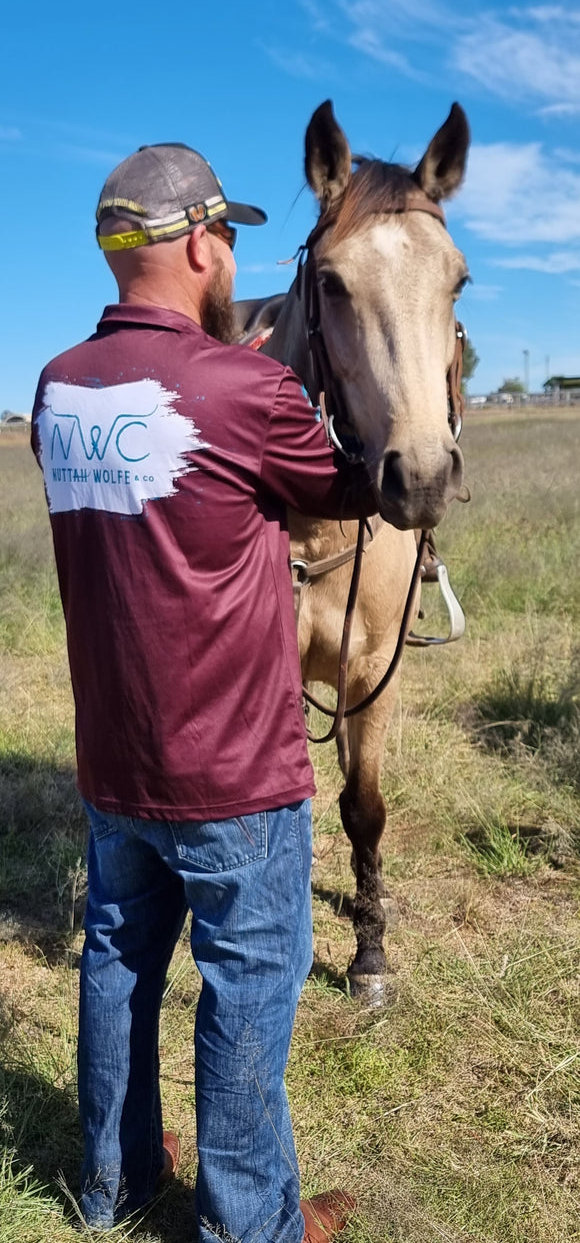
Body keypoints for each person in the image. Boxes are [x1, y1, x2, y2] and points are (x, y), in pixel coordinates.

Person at [31, 142, 373, 1241]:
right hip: (233, 775)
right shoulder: (248, 387)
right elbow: (351, 490)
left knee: (118, 967)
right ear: (195, 244)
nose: (231, 254)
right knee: (246, 995)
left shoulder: (57, 386)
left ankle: (113, 1183)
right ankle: (246, 1223)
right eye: (226, 235)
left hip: (115, 765)